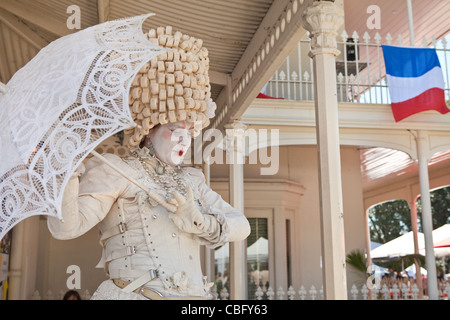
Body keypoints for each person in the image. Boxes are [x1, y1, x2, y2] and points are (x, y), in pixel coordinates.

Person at [47, 26, 251, 300]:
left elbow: (242, 226)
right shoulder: (116, 170)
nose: (184, 140)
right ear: (148, 129)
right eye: (175, 130)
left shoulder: (192, 180)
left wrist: (201, 221)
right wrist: (66, 170)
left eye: (189, 132)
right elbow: (65, 228)